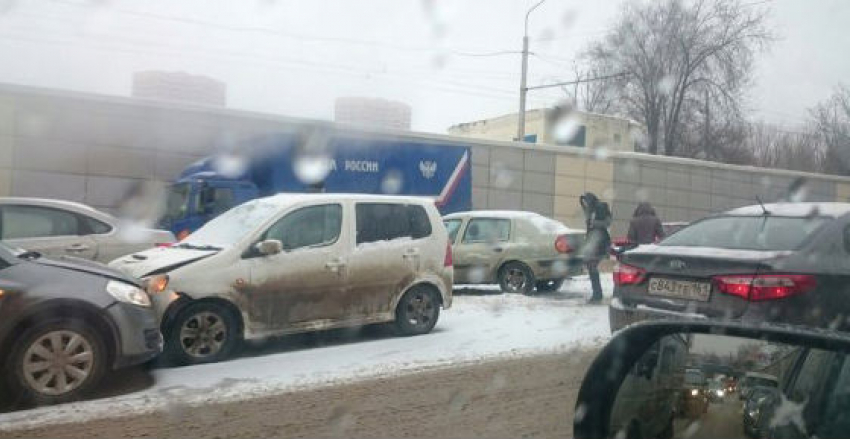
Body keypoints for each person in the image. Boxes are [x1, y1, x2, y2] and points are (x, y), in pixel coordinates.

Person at [579, 192, 612, 304]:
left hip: (600, 242)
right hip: (593, 242)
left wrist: (594, 223)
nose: (585, 204)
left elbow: (607, 223)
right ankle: (597, 293)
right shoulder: (591, 210)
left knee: (592, 266)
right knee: (591, 267)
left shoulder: (600, 207)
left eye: (586, 202)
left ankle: (597, 294)